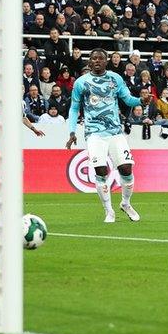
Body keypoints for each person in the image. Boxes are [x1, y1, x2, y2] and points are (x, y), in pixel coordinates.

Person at [66, 48, 151, 223]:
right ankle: (109, 211)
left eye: (100, 58)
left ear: (106, 61)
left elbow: (127, 100)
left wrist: (140, 101)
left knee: (126, 169)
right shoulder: (81, 83)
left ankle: (125, 203)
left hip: (115, 132)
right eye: (94, 58)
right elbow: (74, 108)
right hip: (94, 134)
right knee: (101, 171)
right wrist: (72, 131)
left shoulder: (115, 79)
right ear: (90, 61)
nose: (97, 61)